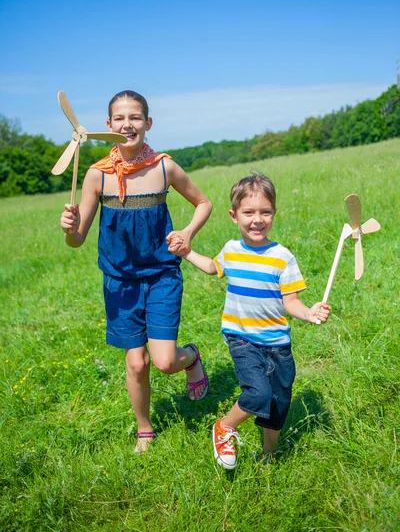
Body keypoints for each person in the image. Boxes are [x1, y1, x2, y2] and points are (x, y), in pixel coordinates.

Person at [60, 90, 212, 454]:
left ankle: (190, 357)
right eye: (120, 118)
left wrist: (187, 234)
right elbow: (77, 240)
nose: (128, 124)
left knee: (162, 361)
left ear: (148, 123)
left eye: (135, 117)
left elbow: (204, 203)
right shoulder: (97, 176)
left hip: (161, 275)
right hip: (120, 283)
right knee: (136, 361)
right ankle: (145, 428)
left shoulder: (164, 167)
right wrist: (69, 227)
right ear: (108, 125)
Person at [181, 172, 331, 469]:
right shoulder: (231, 250)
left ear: (274, 213)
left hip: (277, 344)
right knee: (258, 393)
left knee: (277, 404)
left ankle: (268, 455)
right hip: (242, 337)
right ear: (234, 216)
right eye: (249, 212)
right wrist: (186, 252)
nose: (257, 219)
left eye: (265, 212)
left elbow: (292, 303)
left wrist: (309, 313)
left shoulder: (282, 258)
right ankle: (225, 427)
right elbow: (213, 267)